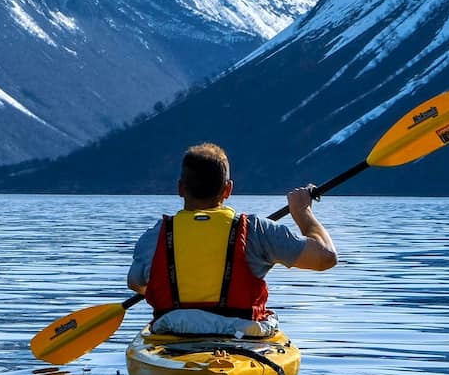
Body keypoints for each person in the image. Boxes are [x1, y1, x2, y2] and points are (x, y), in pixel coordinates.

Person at [127, 142, 338, 336]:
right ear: (228, 189)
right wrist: (302, 212)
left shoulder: (154, 237)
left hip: (174, 333)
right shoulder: (257, 231)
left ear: (180, 188)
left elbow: (136, 283)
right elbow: (326, 257)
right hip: (241, 336)